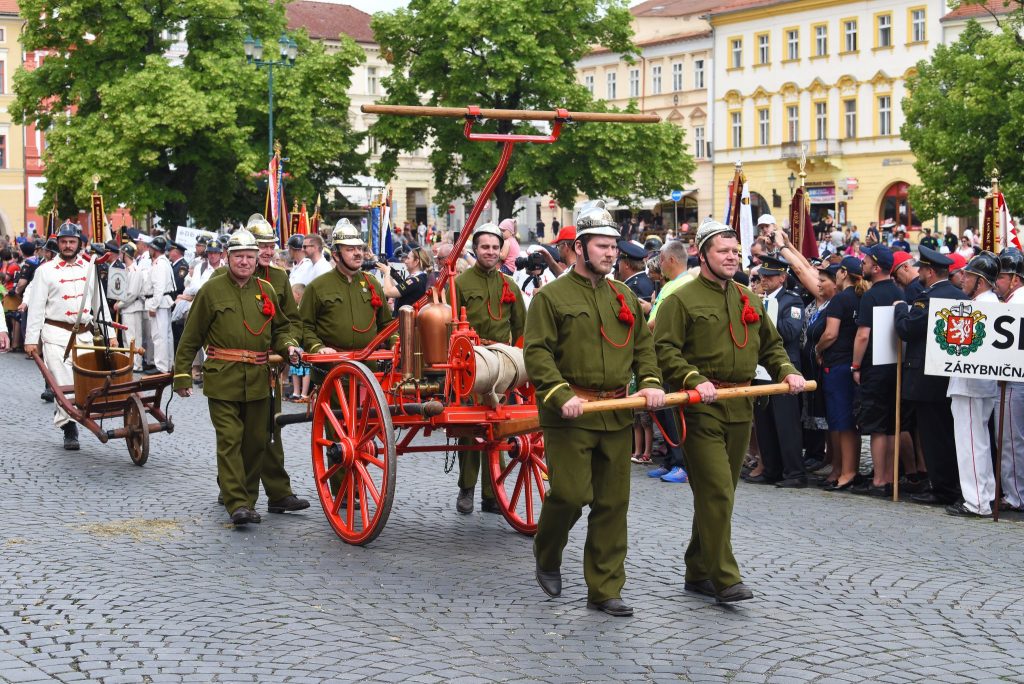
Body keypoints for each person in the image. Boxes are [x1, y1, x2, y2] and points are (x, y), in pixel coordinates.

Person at [525, 200, 664, 617]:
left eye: (614, 248)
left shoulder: (623, 295)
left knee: (612, 502)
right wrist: (559, 393)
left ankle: (604, 588)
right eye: (602, 246)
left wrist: (652, 384)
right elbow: (537, 353)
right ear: (580, 249)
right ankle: (547, 552)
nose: (610, 254)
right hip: (570, 411)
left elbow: (644, 348)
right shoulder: (550, 297)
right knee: (570, 494)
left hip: (616, 411)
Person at [654, 219, 804, 603]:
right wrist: (690, 378)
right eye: (723, 251)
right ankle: (725, 577)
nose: (732, 257)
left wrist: (787, 372)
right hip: (700, 407)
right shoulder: (680, 299)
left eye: (736, 252)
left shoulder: (748, 298)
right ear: (703, 255)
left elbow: (771, 346)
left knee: (719, 492)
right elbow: (665, 349)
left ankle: (697, 568)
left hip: (741, 405)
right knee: (717, 489)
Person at [172, 230, 301, 527]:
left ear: (257, 260)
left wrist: (289, 346)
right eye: (239, 256)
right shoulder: (211, 291)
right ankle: (237, 503)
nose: (244, 261)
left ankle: (249, 499)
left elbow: (281, 328)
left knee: (256, 442)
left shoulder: (267, 290)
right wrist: (181, 375)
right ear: (228, 258)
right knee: (230, 439)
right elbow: (191, 337)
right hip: (223, 378)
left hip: (258, 378)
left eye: (250, 257)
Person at [454, 223, 526, 514]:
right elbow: (449, 325)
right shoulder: (459, 283)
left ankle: (492, 493)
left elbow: (521, 326)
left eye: (495, 247)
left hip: (503, 364)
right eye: (485, 247)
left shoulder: (510, 285)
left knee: (500, 429)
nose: (491, 252)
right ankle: (467, 488)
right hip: (469, 363)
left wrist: (521, 361)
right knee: (469, 430)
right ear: (475, 249)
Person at [24, 223, 117, 450]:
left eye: (71, 242)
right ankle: (68, 427)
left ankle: (81, 416)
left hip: (84, 335)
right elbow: (36, 308)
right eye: (64, 242)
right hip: (55, 335)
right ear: (58, 243)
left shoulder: (88, 268)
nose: (67, 246)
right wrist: (30, 339)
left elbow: (100, 304)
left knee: (83, 383)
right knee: (62, 384)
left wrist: (111, 335)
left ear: (78, 244)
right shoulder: (45, 271)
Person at [894, 246, 967, 506]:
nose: (919, 272)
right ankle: (951, 484)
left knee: (934, 437)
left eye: (922, 269)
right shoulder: (960, 295)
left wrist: (901, 308)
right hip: (950, 376)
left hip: (927, 377)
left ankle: (943, 488)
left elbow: (907, 329)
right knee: (948, 434)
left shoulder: (929, 298)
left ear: (930, 271)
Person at [943, 252, 1001, 517]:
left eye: (968, 275)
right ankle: (984, 494)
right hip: (979, 383)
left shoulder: (979, 306)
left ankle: (976, 500)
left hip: (971, 383)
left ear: (980, 280)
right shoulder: (991, 302)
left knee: (970, 442)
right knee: (980, 441)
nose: (962, 279)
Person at [747, 254, 805, 487]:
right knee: (764, 422)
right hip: (761, 370)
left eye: (770, 276)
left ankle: (795, 472)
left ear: (782, 278)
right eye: (763, 276)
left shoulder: (792, 301)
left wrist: (766, 314)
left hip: (784, 368)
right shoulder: (759, 300)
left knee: (786, 422)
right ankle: (771, 468)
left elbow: (790, 332)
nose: (765, 280)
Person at [851, 244, 903, 496]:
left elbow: (862, 335)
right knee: (892, 425)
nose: (862, 264)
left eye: (866, 260)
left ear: (877, 267)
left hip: (875, 365)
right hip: (896, 365)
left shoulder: (871, 296)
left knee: (878, 427)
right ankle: (891, 477)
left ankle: (880, 479)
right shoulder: (898, 290)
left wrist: (856, 364)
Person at [300, 218, 393, 355]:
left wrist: (395, 343)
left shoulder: (372, 283)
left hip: (368, 366)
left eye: (360, 248)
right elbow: (304, 326)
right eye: (350, 249)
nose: (358, 253)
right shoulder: (317, 286)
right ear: (336, 255)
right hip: (331, 367)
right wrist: (317, 347)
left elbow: (386, 324)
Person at [814, 256, 867, 491]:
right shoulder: (861, 296)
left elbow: (830, 334)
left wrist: (817, 348)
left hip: (837, 365)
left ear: (843, 273)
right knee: (849, 422)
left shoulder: (840, 300)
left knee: (842, 422)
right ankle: (848, 469)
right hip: (854, 364)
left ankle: (847, 472)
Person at [993, 248, 1024, 511]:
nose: (996, 282)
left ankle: (1015, 496)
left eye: (1000, 277)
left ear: (1014, 278)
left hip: (1014, 377)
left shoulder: (1015, 302)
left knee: (1011, 440)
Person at [112, 243, 146, 371]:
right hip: (127, 308)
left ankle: (136, 364)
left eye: (121, 253)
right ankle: (129, 362)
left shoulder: (135, 271)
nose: (119, 256)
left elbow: (132, 294)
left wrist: (119, 305)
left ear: (125, 254)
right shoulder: (126, 270)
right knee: (127, 337)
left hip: (133, 307)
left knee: (133, 337)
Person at [144, 236, 175, 374]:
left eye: (151, 247)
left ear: (155, 249)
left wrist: (153, 306)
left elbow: (159, 287)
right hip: (162, 302)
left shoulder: (159, 264)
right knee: (166, 335)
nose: (149, 250)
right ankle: (167, 365)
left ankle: (161, 367)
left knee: (159, 336)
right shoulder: (163, 262)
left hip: (159, 302)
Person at [377, 244, 432, 311]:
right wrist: (389, 269)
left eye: (408, 258)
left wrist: (386, 272)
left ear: (416, 261)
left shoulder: (415, 281)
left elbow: (388, 292)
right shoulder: (420, 278)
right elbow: (396, 290)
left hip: (405, 320)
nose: (405, 261)